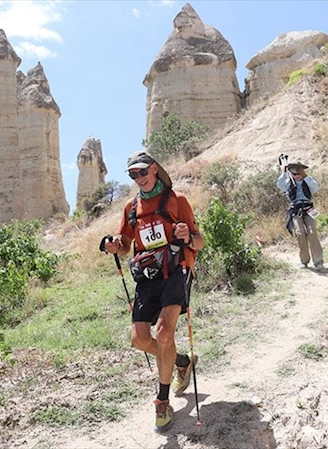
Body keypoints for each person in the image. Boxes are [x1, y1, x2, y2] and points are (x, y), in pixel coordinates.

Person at [104, 150, 205, 432]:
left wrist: (188, 237)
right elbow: (125, 246)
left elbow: (200, 241)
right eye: (132, 174)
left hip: (176, 270)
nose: (138, 178)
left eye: (142, 172)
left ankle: (162, 402)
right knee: (138, 339)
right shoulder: (131, 207)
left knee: (163, 332)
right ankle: (182, 362)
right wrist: (114, 246)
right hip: (148, 276)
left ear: (154, 169)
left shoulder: (177, 200)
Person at [277, 161, 324, 270]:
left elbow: (315, 188)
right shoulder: (288, 182)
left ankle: (318, 261)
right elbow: (280, 185)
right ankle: (304, 261)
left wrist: (305, 177)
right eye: (294, 173)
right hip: (295, 210)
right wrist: (284, 172)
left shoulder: (308, 180)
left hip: (308, 209)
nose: (297, 175)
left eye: (299, 173)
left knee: (312, 232)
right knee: (300, 233)